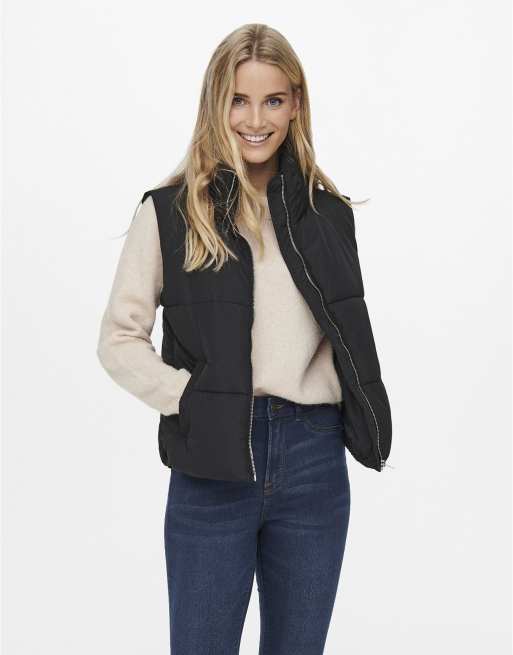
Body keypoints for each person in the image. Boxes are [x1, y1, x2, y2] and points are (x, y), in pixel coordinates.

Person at [97, 22, 392, 655]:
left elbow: (344, 335)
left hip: (314, 458)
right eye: (238, 100)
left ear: (296, 105)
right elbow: (119, 339)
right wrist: (190, 399)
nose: (255, 120)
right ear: (215, 103)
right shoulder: (171, 211)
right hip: (212, 461)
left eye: (273, 100)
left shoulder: (328, 215)